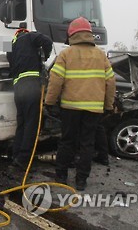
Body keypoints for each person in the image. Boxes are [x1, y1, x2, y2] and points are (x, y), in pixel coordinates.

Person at [44, 17, 115, 190]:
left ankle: (61, 176)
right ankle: (81, 181)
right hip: (94, 109)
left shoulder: (66, 54)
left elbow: (56, 80)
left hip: (70, 107)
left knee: (67, 141)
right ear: (89, 34)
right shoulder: (100, 55)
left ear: (72, 35)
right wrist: (108, 105)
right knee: (87, 143)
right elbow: (110, 82)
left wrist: (50, 102)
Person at [7, 26, 53, 169]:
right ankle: (23, 159)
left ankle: (16, 155)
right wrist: (44, 56)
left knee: (22, 123)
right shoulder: (30, 36)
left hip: (18, 89)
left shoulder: (11, 47)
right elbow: (47, 41)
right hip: (31, 86)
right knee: (31, 124)